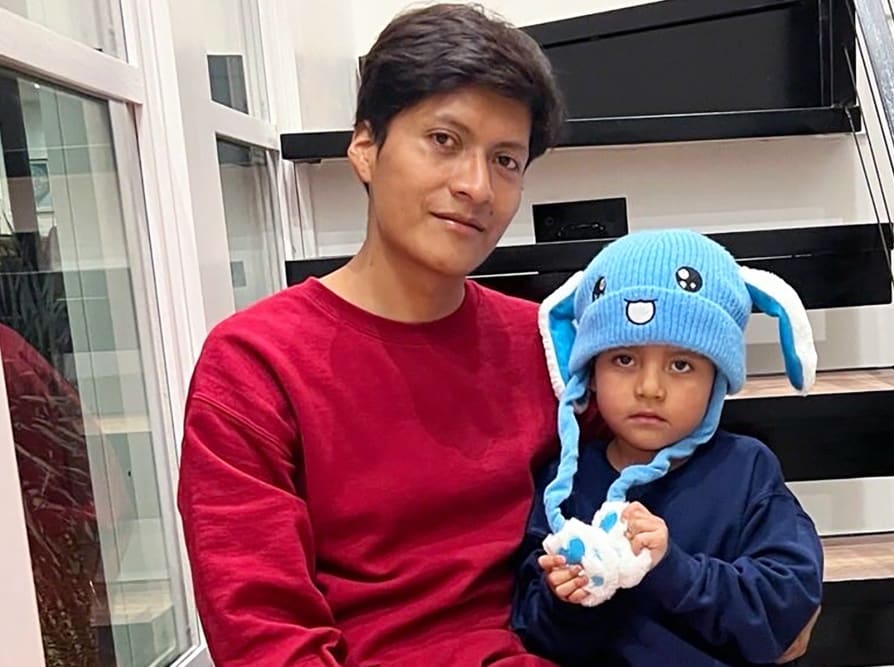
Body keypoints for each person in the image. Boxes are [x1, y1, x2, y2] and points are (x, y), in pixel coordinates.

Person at [176, 4, 569, 666]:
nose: (476, 186)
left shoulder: (546, 343)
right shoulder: (254, 364)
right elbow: (263, 634)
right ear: (365, 147)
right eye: (444, 140)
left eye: (506, 159)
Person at [511, 230, 824, 666]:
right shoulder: (564, 486)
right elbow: (532, 629)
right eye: (624, 359)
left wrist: (672, 569)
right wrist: (567, 599)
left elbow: (785, 609)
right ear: (589, 373)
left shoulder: (747, 471)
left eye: (681, 365)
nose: (650, 388)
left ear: (717, 378)